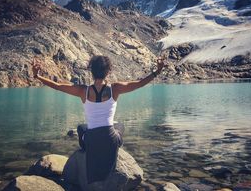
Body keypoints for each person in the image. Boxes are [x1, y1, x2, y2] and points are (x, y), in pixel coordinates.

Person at [31, 55, 165, 183]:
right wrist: (157, 71)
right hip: (111, 141)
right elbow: (140, 84)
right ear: (108, 71)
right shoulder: (115, 89)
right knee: (120, 127)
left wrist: (37, 76)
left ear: (91, 71)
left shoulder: (83, 91)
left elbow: (58, 86)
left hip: (91, 141)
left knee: (81, 128)